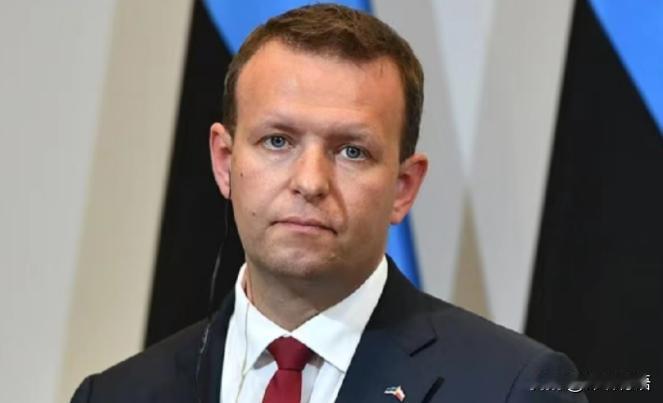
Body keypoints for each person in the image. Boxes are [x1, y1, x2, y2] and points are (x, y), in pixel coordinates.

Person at [71, 4, 587, 403]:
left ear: (404, 187)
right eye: (278, 141)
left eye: (351, 151)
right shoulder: (115, 396)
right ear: (225, 162)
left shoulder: (513, 388)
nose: (310, 181)